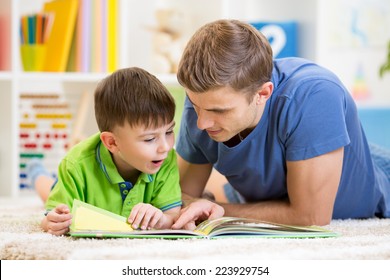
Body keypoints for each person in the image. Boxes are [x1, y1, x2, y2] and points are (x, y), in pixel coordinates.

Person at [171, 19, 390, 230]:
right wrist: (196, 203)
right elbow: (179, 199)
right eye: (194, 103)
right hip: (259, 191)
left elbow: (311, 216)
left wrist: (216, 209)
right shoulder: (203, 101)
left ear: (263, 93)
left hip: (375, 180)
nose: (201, 123)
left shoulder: (315, 95)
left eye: (219, 110)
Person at [38, 67, 182, 236]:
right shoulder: (74, 165)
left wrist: (160, 219)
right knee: (46, 189)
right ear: (112, 142)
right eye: (150, 139)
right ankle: (37, 172)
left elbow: (172, 216)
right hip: (67, 177)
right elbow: (50, 218)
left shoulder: (165, 158)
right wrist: (51, 222)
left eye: (169, 132)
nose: (165, 146)